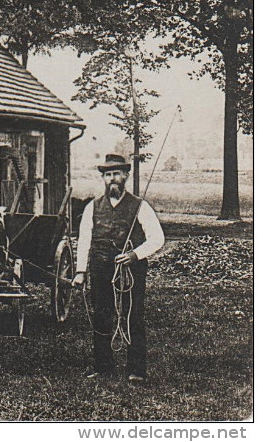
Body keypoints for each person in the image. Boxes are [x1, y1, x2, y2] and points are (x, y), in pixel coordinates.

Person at [72, 154, 165, 384]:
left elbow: (157, 238)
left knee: (133, 316)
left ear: (125, 175)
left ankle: (137, 370)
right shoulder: (92, 207)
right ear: (103, 178)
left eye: (116, 173)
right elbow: (84, 240)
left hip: (131, 272)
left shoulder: (140, 206)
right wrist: (80, 271)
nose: (112, 178)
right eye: (108, 174)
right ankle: (103, 366)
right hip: (100, 269)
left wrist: (135, 255)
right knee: (101, 316)